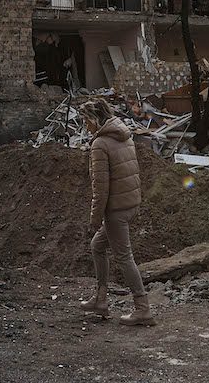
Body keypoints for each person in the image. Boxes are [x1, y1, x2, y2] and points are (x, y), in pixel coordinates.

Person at [78, 99, 155, 326]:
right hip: (130, 203)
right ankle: (100, 299)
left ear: (94, 119)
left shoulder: (100, 144)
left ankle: (143, 309)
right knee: (97, 246)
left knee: (124, 257)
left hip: (116, 209)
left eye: (85, 120)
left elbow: (100, 188)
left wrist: (94, 218)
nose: (84, 125)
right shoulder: (123, 134)